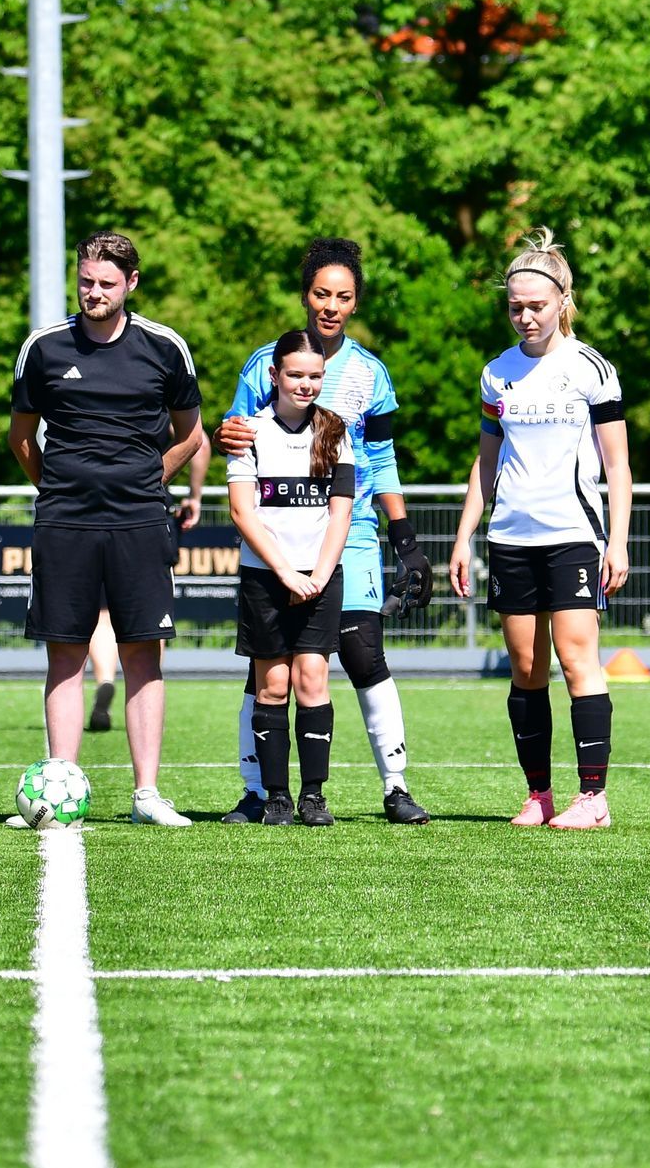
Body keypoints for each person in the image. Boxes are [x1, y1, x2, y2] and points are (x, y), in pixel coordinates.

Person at [214, 238, 432, 825]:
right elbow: (237, 432)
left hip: (348, 529)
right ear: (305, 296)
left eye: (343, 296)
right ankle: (258, 792)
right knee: (268, 669)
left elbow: (381, 458)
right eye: (321, 294)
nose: (330, 306)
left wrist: (405, 540)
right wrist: (223, 432)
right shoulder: (264, 364)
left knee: (361, 650)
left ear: (355, 303)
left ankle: (395, 786)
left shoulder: (370, 373)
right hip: (279, 533)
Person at [9, 231, 205, 827]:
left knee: (143, 653)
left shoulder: (165, 347)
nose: (94, 292)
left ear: (131, 284)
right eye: (86, 281)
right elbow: (21, 437)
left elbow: (191, 434)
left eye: (107, 284)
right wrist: (57, 487)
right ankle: (58, 787)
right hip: (64, 522)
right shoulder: (43, 347)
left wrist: (147, 480)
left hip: (140, 521)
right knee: (65, 655)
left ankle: (147, 795)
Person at [449, 228, 632, 830]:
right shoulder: (496, 374)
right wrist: (464, 536)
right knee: (526, 668)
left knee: (577, 658)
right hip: (510, 537)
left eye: (536, 306)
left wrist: (617, 540)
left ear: (563, 302)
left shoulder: (591, 369)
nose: (525, 317)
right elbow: (486, 462)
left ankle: (593, 798)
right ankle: (539, 795)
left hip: (573, 535)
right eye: (515, 307)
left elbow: (617, 465)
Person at [226, 330, 356, 825]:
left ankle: (314, 796)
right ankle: (276, 796)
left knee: (312, 680)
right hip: (266, 578)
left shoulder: (335, 432)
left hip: (320, 578)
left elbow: (341, 512)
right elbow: (242, 512)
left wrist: (318, 574)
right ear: (274, 375)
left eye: (315, 376)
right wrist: (284, 572)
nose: (305, 384)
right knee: (273, 685)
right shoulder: (249, 432)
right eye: (295, 375)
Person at [86, 432, 210, 732]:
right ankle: (144, 697)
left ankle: (105, 680)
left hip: (91, 507)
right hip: (149, 511)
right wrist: (194, 495)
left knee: (103, 614)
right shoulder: (159, 400)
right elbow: (199, 442)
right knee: (152, 616)